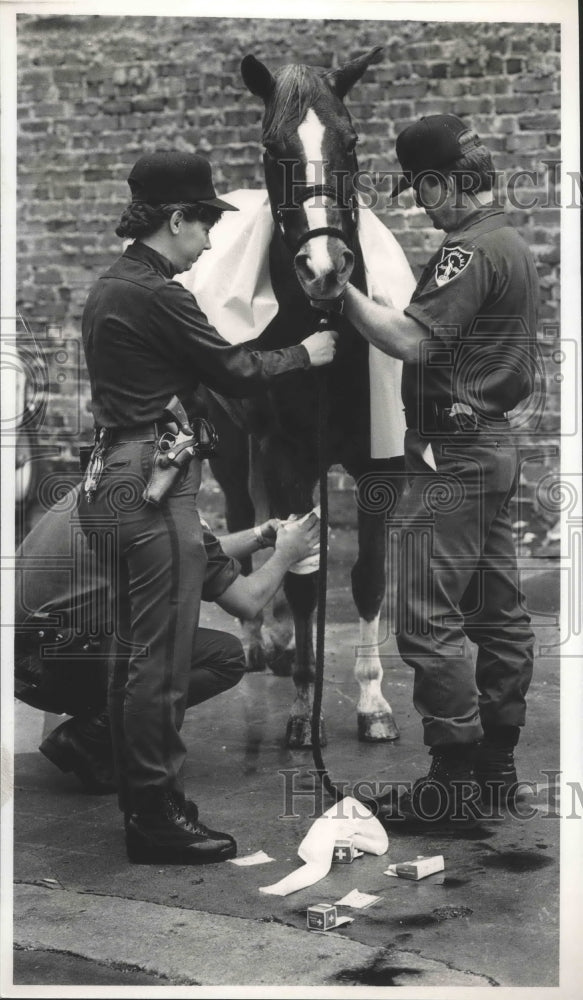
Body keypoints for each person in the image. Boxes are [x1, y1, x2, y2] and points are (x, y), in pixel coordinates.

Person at [76, 150, 337, 863]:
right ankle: (155, 818)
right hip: (150, 479)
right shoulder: (159, 294)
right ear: (176, 219)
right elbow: (233, 368)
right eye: (205, 222)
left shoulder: (113, 286)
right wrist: (306, 354)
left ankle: (150, 800)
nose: (212, 239)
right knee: (157, 663)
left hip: (118, 471)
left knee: (137, 656)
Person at [337, 115, 538, 825]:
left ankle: (450, 782)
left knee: (426, 619)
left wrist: (342, 297)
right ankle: (494, 769)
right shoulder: (510, 242)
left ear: (438, 181)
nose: (420, 204)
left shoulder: (465, 251)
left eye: (420, 189)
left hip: (452, 457)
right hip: (489, 448)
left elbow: (410, 342)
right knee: (498, 611)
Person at [15, 488, 318, 797]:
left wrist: (258, 536)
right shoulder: (168, 510)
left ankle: (101, 726)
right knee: (224, 656)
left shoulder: (115, 482)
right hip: (58, 666)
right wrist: (287, 554)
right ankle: (92, 734)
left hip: (24, 665)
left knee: (146, 623)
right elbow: (248, 601)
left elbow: (188, 549)